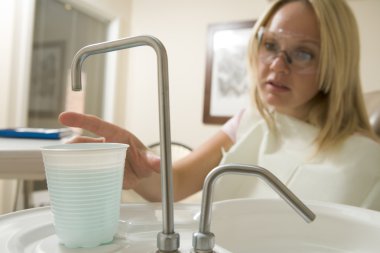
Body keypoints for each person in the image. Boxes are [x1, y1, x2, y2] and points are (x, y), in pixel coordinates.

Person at [59, 0, 380, 210]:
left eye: (303, 53)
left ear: (335, 65)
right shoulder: (248, 122)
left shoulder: (365, 159)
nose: (278, 66)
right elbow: (175, 183)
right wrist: (141, 164)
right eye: (270, 45)